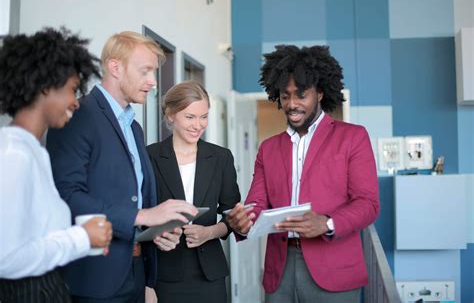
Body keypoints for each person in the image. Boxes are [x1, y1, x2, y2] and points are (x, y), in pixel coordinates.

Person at [46, 31, 198, 302]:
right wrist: (144, 217)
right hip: (94, 279)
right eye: (145, 71)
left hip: (137, 274)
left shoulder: (134, 128)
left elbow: (131, 195)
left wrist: (156, 232)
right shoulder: (78, 115)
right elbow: (65, 195)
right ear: (115, 67)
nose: (153, 82)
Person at [227, 45, 380, 303]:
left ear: (319, 93)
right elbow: (258, 203)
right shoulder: (269, 148)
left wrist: (326, 223)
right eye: (285, 96)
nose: (292, 104)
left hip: (334, 270)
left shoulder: (353, 137)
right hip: (280, 271)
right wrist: (244, 220)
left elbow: (368, 204)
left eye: (301, 95)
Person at [0, 27, 113, 302]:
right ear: (45, 86)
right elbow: (6, 258)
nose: (76, 102)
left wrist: (87, 239)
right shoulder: (15, 154)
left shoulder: (34, 151)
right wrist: (81, 238)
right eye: (73, 90)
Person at [146, 81, 240, 303]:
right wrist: (155, 234)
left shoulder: (221, 158)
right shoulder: (149, 156)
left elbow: (232, 218)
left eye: (204, 116)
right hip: (163, 275)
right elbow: (139, 213)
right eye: (190, 117)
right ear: (170, 115)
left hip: (210, 276)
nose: (198, 125)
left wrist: (209, 233)